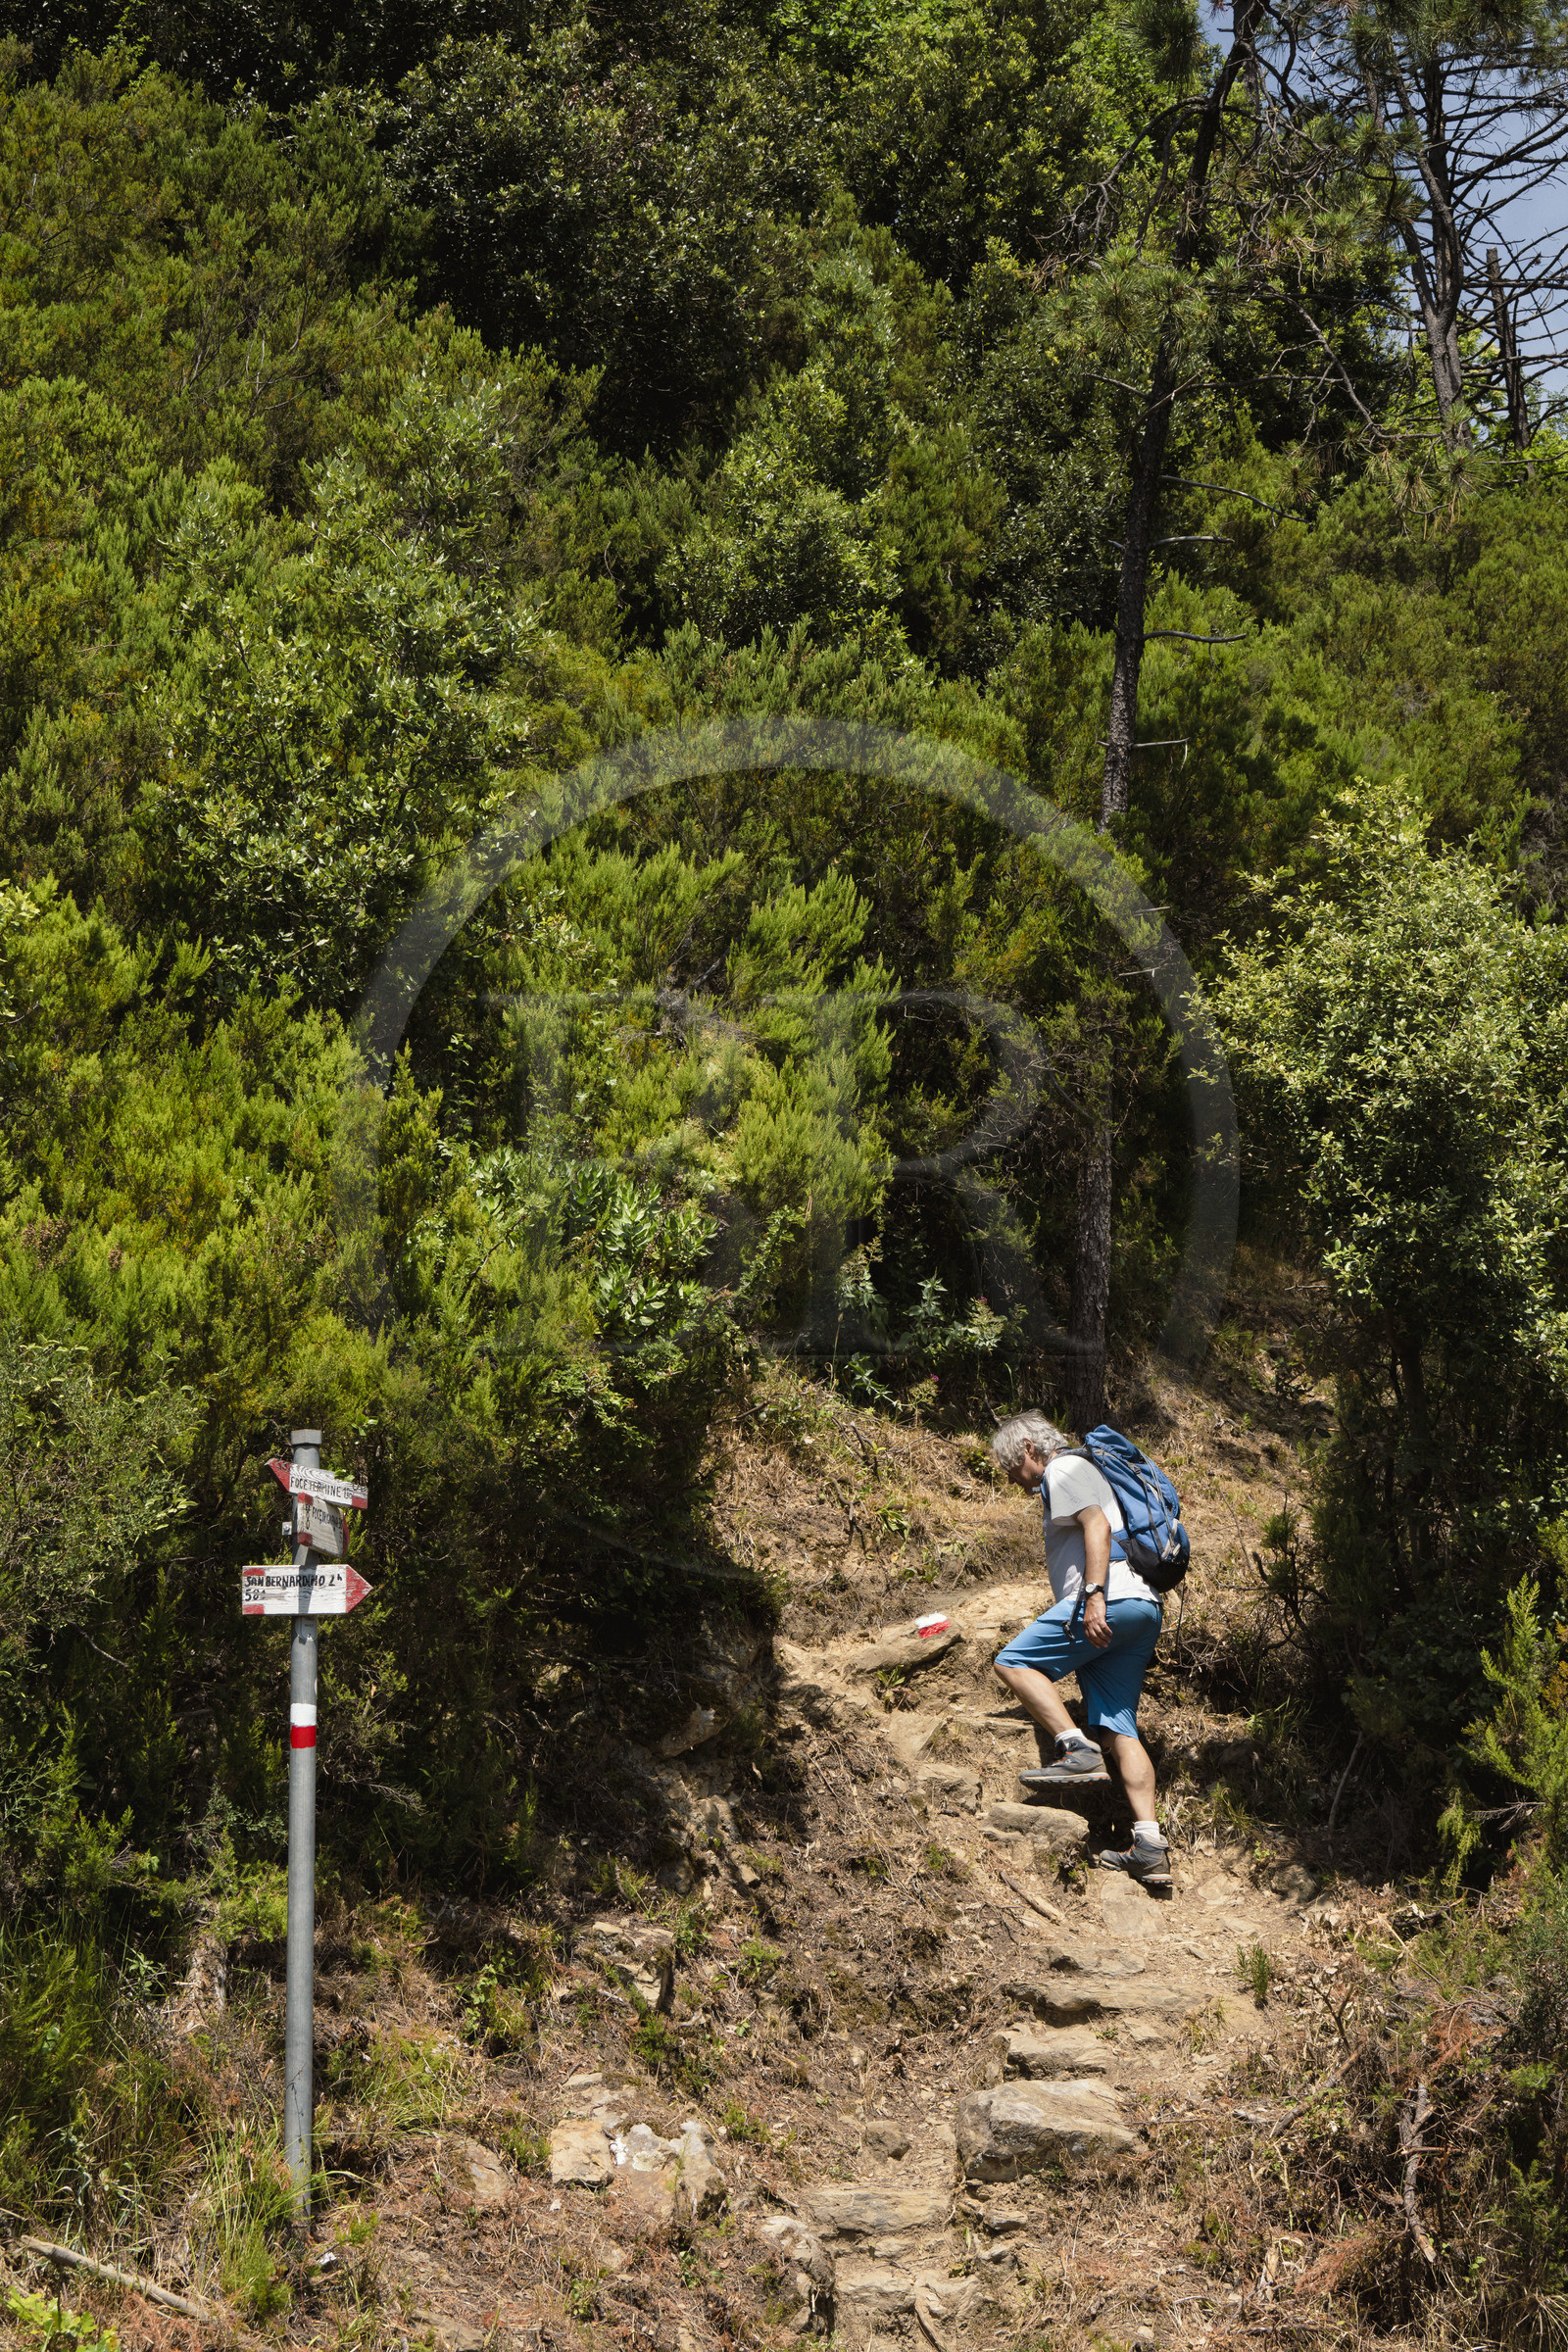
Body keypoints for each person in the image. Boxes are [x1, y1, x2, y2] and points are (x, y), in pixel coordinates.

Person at [990, 1408, 1172, 1887]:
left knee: (1013, 1662)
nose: (1011, 1479)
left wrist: (1093, 1596)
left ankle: (1074, 1748)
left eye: (1010, 1466)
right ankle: (1150, 1844)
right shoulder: (1081, 1471)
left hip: (1108, 1600)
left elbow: (1097, 1527)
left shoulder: (1064, 1469)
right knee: (1118, 1729)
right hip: (1142, 1608)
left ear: (1027, 1445)